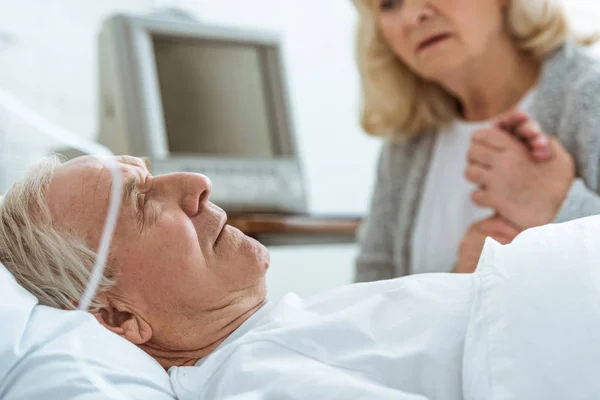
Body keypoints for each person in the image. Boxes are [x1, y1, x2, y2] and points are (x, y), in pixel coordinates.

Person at [0, 155, 599, 399]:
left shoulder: (272, 341)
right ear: (118, 318)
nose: (194, 183)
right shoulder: (254, 379)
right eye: (140, 202)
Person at [352, 0, 600, 280]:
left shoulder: (592, 98)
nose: (412, 16)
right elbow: (367, 298)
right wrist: (460, 283)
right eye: (389, 4)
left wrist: (558, 207)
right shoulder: (407, 145)